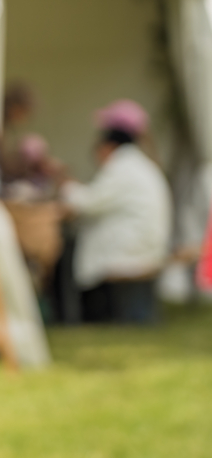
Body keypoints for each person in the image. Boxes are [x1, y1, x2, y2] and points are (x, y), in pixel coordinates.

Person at [59, 99, 172, 323]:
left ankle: (72, 316)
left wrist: (66, 185)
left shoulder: (123, 167)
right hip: (145, 243)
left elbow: (89, 203)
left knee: (69, 247)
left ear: (109, 144)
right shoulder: (139, 164)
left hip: (132, 248)